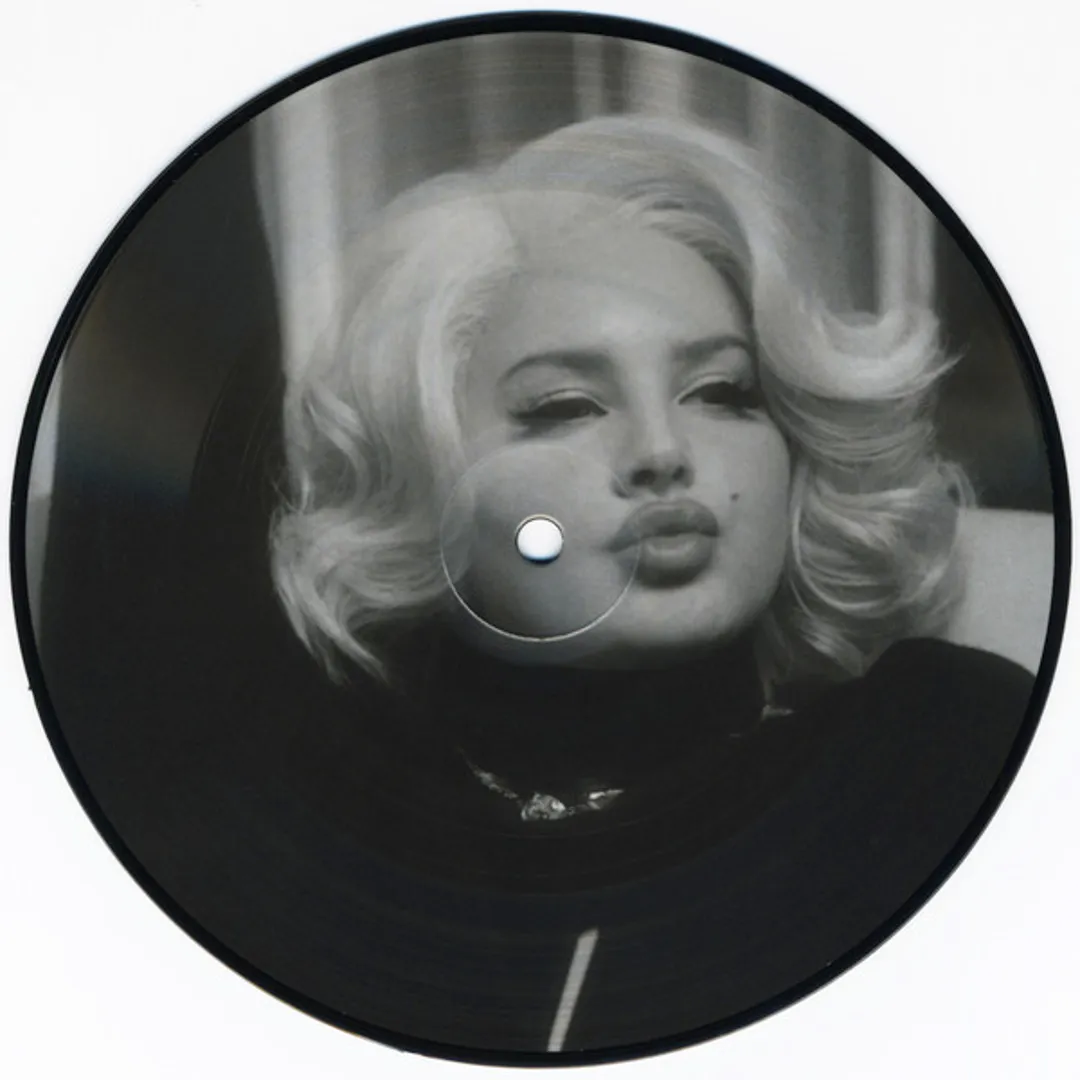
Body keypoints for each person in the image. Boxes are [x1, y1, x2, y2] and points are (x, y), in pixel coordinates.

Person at [178, 114, 1036, 1057]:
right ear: (419, 480)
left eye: (723, 392)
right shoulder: (298, 846)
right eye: (565, 407)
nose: (664, 452)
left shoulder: (942, 756)